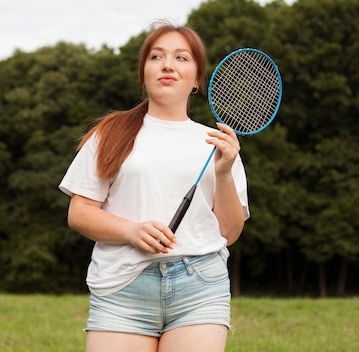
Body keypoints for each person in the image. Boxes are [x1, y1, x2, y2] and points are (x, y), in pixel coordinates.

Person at [59, 21, 249, 352]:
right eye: (157, 56)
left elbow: (229, 233)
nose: (167, 65)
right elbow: (79, 212)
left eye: (181, 58)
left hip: (200, 287)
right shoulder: (111, 133)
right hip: (122, 287)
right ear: (144, 71)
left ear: (197, 79)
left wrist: (223, 173)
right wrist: (132, 231)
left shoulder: (218, 145)